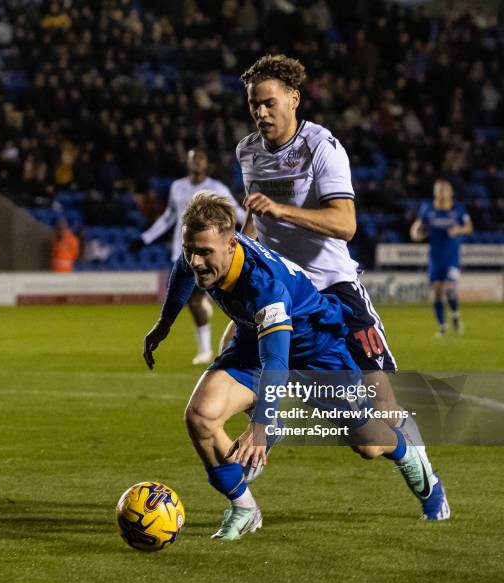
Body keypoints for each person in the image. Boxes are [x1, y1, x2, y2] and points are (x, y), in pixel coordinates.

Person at [142, 192, 450, 541]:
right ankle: (244, 509)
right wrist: (165, 322)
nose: (196, 261)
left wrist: (259, 425)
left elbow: (277, 361)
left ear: (230, 245)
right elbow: (182, 268)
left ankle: (412, 459)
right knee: (201, 416)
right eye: (191, 249)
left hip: (317, 351)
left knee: (368, 445)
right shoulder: (204, 252)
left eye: (205, 253)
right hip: (254, 341)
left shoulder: (264, 286)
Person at [224, 53, 445, 507]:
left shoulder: (321, 147)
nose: (261, 113)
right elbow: (255, 223)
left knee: (377, 419)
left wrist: (282, 210)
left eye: (268, 103)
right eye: (254, 106)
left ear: (293, 98)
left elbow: (346, 224)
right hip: (281, 292)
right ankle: (270, 423)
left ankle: (419, 468)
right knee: (232, 360)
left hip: (335, 290)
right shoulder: (247, 152)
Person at [132, 147, 245, 365]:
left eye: (201, 159)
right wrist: (145, 238)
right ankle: (205, 349)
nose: (197, 163)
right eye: (193, 159)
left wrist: (256, 222)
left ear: (207, 163)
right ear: (188, 162)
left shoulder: (216, 188)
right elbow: (168, 218)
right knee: (192, 301)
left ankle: (238, 339)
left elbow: (237, 214)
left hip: (210, 253)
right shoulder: (177, 187)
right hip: (183, 253)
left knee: (229, 299)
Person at [410, 179, 473, 336]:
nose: (442, 193)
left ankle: (455, 314)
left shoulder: (458, 209)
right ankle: (443, 327)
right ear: (435, 192)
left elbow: (469, 227)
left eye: (445, 190)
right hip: (435, 257)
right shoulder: (428, 209)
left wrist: (458, 230)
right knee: (437, 292)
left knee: (449, 288)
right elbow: (416, 228)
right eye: (439, 190)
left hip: (452, 257)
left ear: (451, 192)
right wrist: (416, 233)